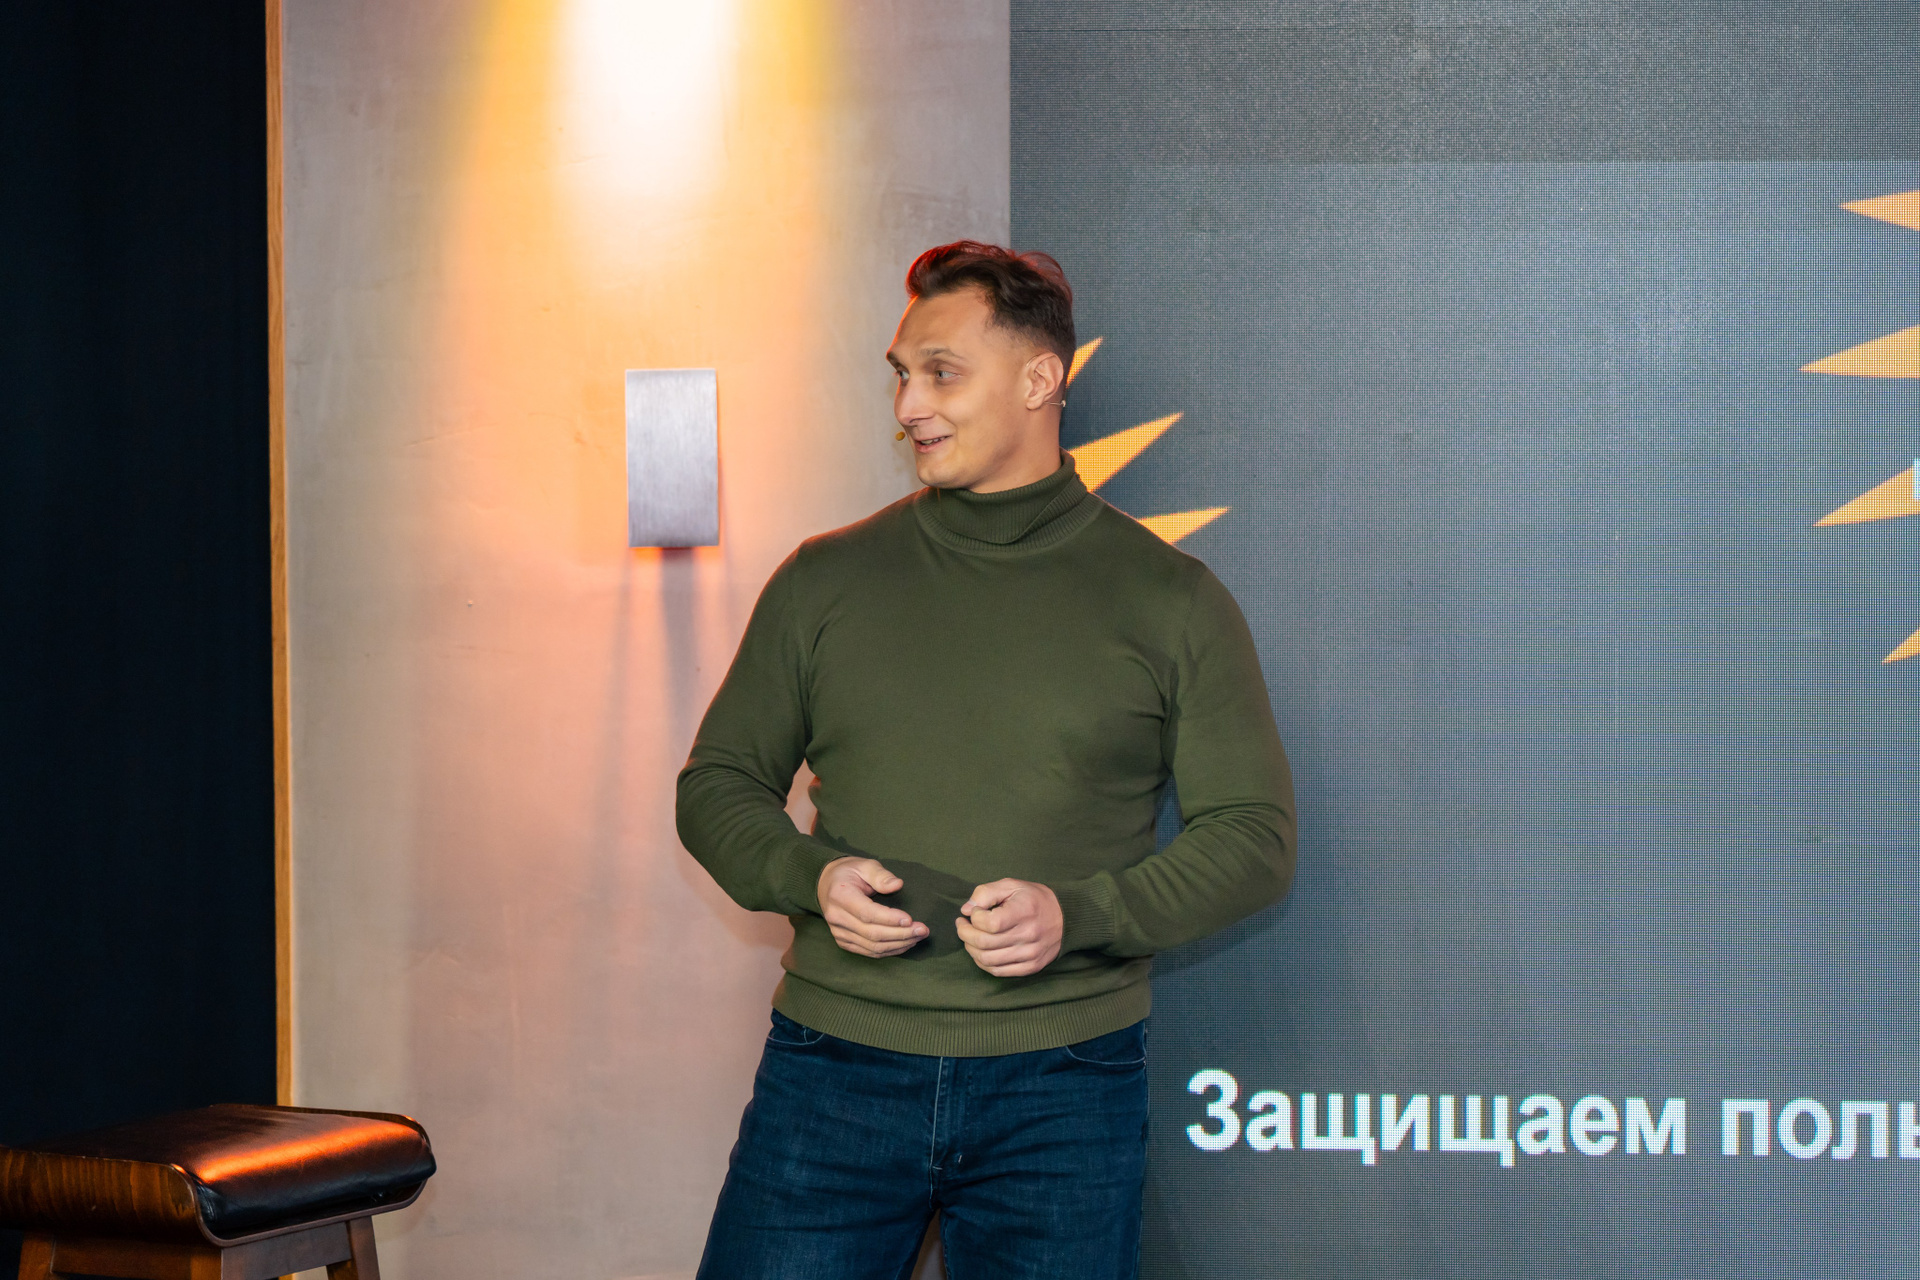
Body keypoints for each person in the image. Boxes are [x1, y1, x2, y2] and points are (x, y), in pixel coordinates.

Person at [677, 241, 1294, 1278]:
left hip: (1066, 1088)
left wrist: (1078, 914)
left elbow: (1254, 837)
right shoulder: (824, 580)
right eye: (901, 375)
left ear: (1041, 378)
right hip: (832, 1071)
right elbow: (717, 783)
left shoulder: (1173, 600)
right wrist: (809, 876)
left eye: (941, 373)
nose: (908, 405)